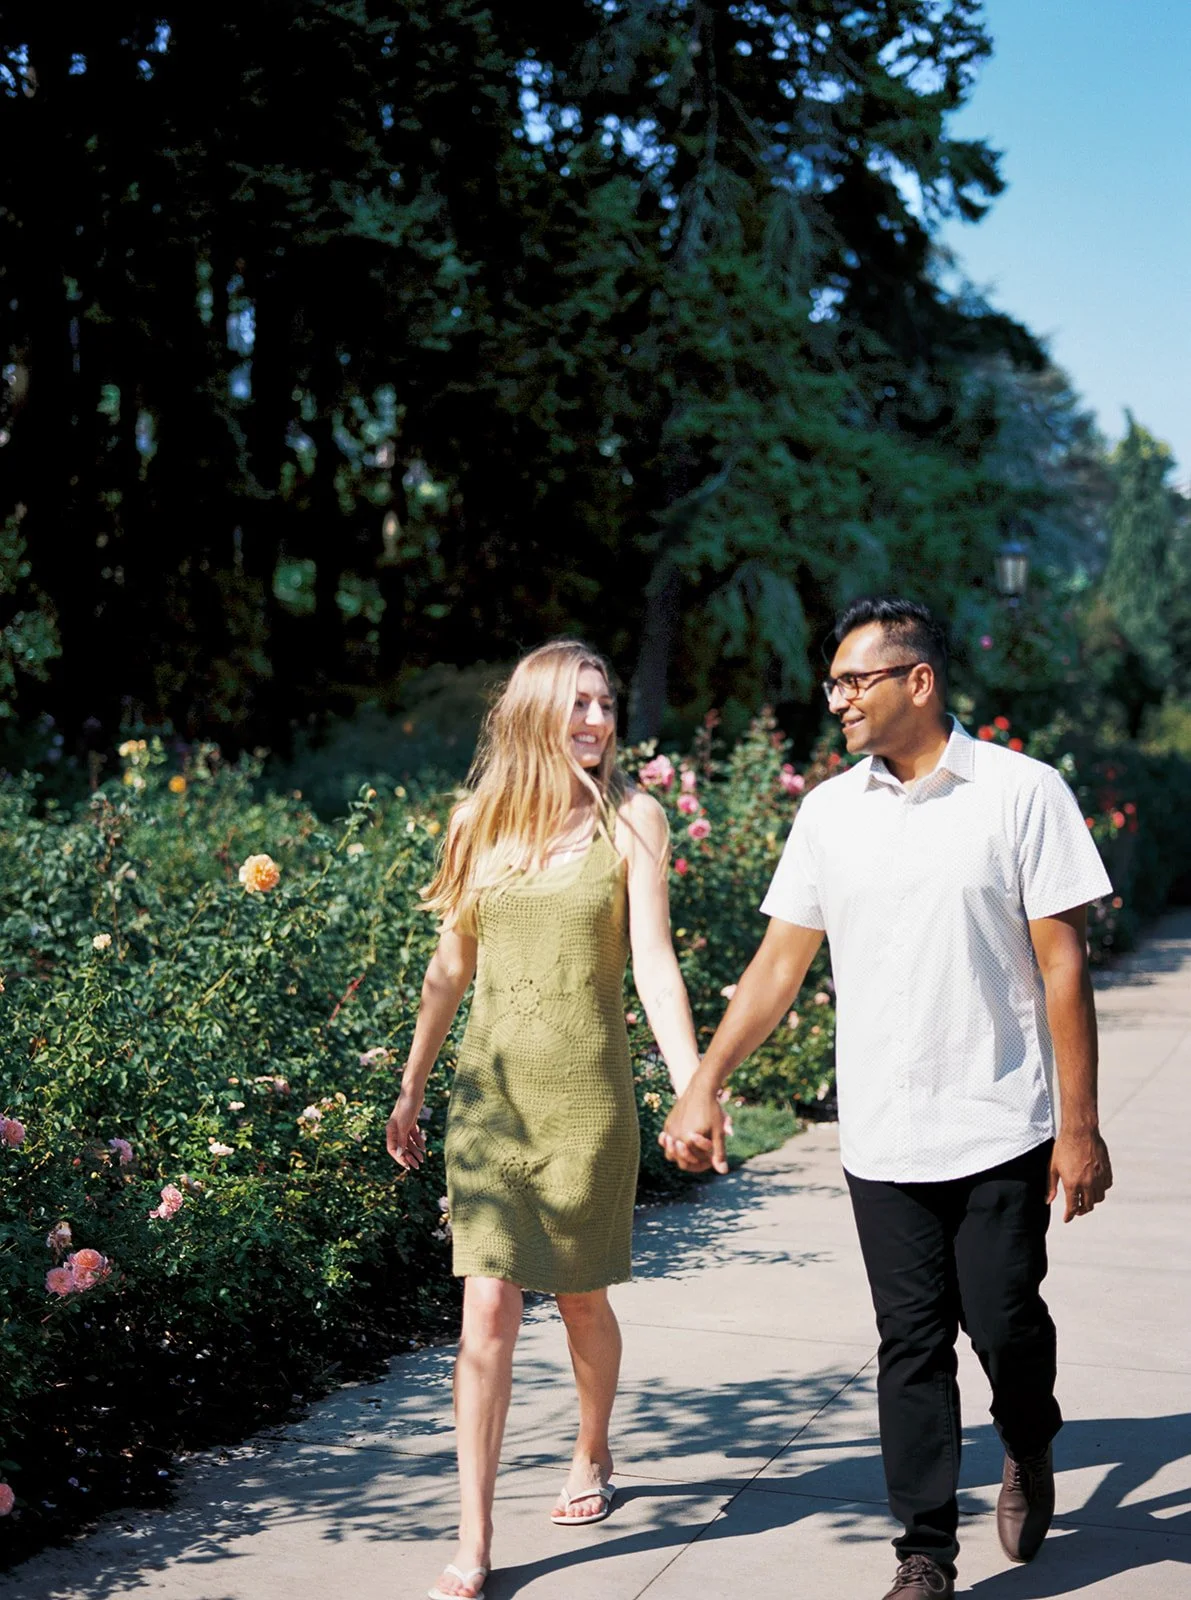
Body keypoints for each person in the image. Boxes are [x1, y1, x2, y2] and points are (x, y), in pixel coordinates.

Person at [661, 597, 1114, 1600]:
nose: (837, 703)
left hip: (998, 1123)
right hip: (882, 1134)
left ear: (919, 680)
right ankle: (925, 1550)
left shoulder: (1021, 792)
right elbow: (779, 965)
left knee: (1002, 1323)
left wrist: (1079, 1128)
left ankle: (1028, 1437)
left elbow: (1063, 968)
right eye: (832, 686)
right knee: (909, 1342)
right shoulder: (829, 811)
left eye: (853, 682)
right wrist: (704, 1083)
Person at [387, 638, 702, 1600]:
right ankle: (475, 1538)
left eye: (604, 705)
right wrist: (410, 1085)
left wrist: (693, 1084)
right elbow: (451, 967)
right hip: (491, 1109)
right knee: (486, 1307)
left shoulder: (633, 820)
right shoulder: (477, 822)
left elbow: (652, 961)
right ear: (532, 715)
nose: (598, 723)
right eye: (577, 706)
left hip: (588, 1104)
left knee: (581, 1302)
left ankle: (592, 1448)